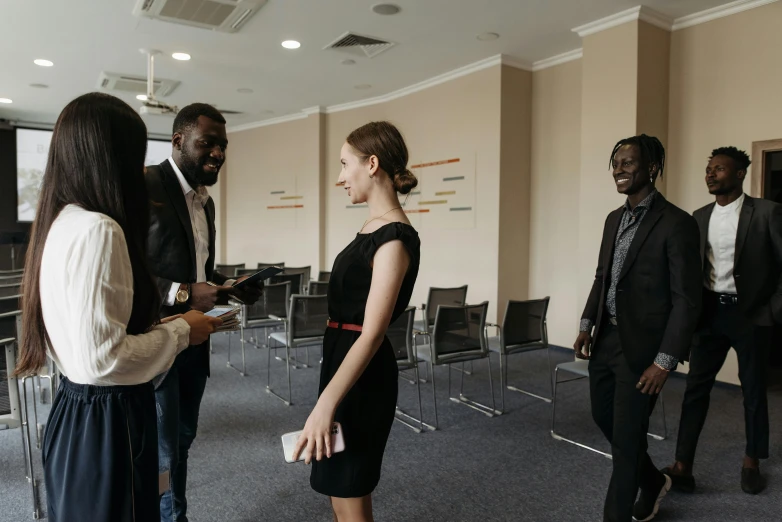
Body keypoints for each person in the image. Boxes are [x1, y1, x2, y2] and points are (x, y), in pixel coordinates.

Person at [14, 92, 221, 522]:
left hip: (74, 408)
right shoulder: (99, 229)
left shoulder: (62, 220)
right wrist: (183, 329)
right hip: (110, 417)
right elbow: (103, 358)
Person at [292, 121, 420, 521]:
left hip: (363, 375)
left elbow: (372, 333)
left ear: (373, 164)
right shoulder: (372, 229)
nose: (339, 177)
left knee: (350, 486)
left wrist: (324, 405)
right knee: (337, 485)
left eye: (345, 164)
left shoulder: (395, 238)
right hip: (341, 361)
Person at [573, 134, 702, 522]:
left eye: (628, 162)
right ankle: (652, 479)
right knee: (602, 417)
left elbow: (686, 299)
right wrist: (586, 323)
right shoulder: (614, 219)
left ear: (652, 169)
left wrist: (664, 362)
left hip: (645, 348)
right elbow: (603, 277)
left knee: (627, 441)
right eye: (616, 162)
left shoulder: (677, 223)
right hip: (607, 340)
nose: (619, 169)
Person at [145, 103, 261, 522]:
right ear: (178, 141)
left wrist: (230, 286)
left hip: (196, 341)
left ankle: (172, 512)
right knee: (161, 446)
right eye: (207, 143)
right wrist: (182, 295)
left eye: (223, 145)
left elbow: (200, 272)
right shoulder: (146, 185)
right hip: (155, 341)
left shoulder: (205, 203)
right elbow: (125, 272)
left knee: (181, 439)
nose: (218, 153)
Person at [663, 146, 782, 495]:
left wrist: (773, 310)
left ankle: (752, 460)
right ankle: (683, 465)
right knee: (695, 389)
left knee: (754, 392)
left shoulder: (767, 213)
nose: (711, 174)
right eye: (709, 169)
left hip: (752, 315)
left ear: (740, 174)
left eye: (719, 169)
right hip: (710, 314)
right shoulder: (698, 217)